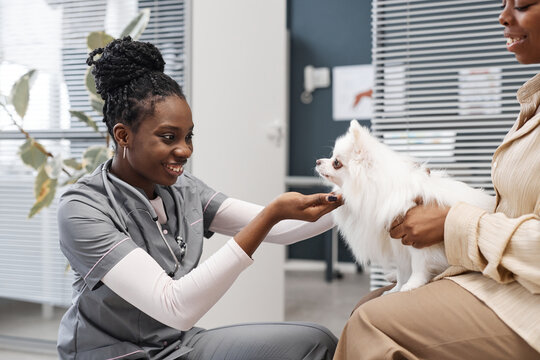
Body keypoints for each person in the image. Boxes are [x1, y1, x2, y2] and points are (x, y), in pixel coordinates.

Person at [56, 36, 342, 360]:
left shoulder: (184, 189)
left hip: (178, 346)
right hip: (115, 356)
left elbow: (280, 228)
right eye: (168, 137)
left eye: (188, 136)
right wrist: (271, 214)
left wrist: (359, 197)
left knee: (316, 342)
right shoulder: (82, 208)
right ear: (123, 135)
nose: (185, 150)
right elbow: (175, 306)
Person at [334, 1, 540, 359]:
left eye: (522, 4)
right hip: (506, 278)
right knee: (367, 304)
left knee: (369, 323)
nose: (504, 17)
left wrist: (450, 221)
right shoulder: (531, 103)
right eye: (504, 4)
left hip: (526, 300)